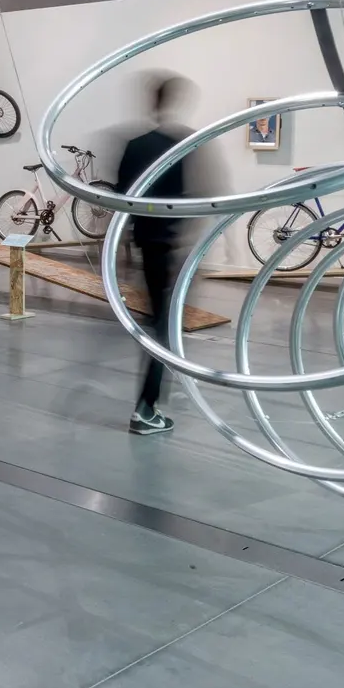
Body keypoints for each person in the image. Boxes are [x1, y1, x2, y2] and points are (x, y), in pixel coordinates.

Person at [112, 73, 207, 436]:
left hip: (144, 243)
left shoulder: (134, 144)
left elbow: (122, 197)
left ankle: (148, 405)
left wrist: (124, 244)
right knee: (162, 328)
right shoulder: (177, 146)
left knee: (159, 323)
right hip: (165, 247)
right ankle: (145, 409)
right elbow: (180, 202)